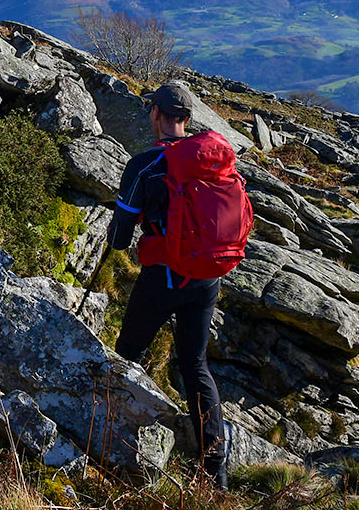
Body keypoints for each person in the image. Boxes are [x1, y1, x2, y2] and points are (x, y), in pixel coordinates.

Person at [107, 80, 230, 489]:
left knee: (128, 353)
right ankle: (215, 472)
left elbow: (120, 235)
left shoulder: (146, 164)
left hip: (164, 276)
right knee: (195, 365)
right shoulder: (211, 162)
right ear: (188, 120)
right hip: (207, 277)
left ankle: (115, 440)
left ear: (156, 114)